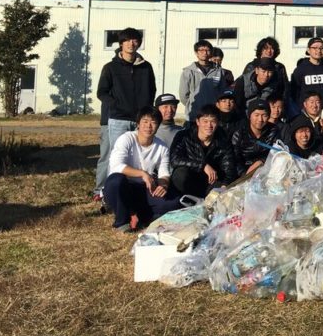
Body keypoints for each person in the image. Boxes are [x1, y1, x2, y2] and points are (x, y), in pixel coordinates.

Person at [95, 27, 156, 196]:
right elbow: (102, 92)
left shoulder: (146, 67)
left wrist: (146, 110)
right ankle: (108, 192)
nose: (131, 43)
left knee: (138, 154)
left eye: (135, 40)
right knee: (116, 156)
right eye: (127, 40)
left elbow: (152, 90)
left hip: (139, 120)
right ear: (121, 43)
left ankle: (134, 189)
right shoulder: (110, 67)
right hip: (118, 119)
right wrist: (116, 105)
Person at [103, 107, 181, 231]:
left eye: (153, 122)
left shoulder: (162, 146)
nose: (149, 126)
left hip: (144, 189)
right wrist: (142, 173)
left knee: (173, 202)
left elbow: (164, 172)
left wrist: (163, 185)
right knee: (115, 181)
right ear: (138, 124)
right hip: (124, 187)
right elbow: (116, 165)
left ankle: (142, 215)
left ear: (158, 126)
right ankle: (122, 222)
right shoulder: (126, 138)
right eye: (145, 121)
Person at [169, 104, 237, 198]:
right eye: (205, 121)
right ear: (198, 122)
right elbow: (175, 160)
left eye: (213, 121)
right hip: (189, 181)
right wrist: (203, 165)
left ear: (218, 122)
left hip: (210, 183)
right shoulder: (184, 136)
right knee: (180, 174)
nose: (209, 125)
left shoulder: (223, 140)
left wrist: (224, 185)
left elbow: (229, 168)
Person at [179, 39, 232, 121]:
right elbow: (183, 96)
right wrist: (194, 103)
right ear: (196, 53)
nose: (205, 53)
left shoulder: (219, 71)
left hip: (213, 113)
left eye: (207, 50)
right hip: (194, 114)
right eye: (201, 50)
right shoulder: (188, 71)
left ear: (211, 52)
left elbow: (222, 92)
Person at [230, 98, 278, 178]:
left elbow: (276, 153)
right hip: (242, 174)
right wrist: (245, 175)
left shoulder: (273, 130)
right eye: (256, 115)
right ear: (249, 116)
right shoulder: (239, 133)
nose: (260, 119)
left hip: (266, 171)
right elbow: (234, 159)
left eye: (264, 115)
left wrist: (261, 161)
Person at [290, 37, 323, 110]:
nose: (318, 50)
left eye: (321, 48)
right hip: (307, 112)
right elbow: (294, 93)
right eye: (315, 48)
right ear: (308, 50)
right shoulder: (300, 70)